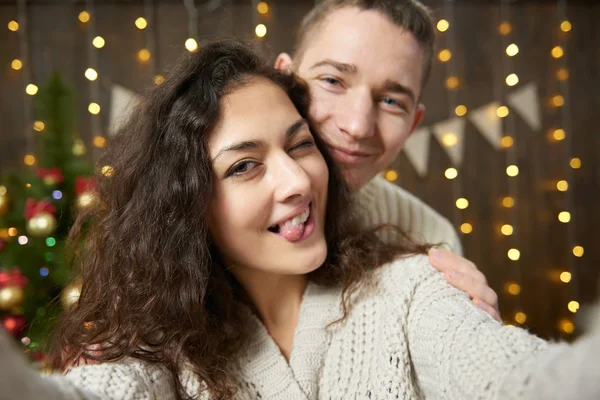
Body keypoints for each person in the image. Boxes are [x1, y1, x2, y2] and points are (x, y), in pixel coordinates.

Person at [1, 40, 600, 400]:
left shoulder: (411, 289)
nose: (295, 182)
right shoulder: (155, 349)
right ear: (184, 206)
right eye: (243, 167)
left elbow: (518, 379)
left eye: (300, 145)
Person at [275, 0, 501, 320]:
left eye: (392, 101)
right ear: (282, 79)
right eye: (333, 81)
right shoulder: (200, 205)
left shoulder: (430, 237)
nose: (357, 126)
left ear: (413, 123)